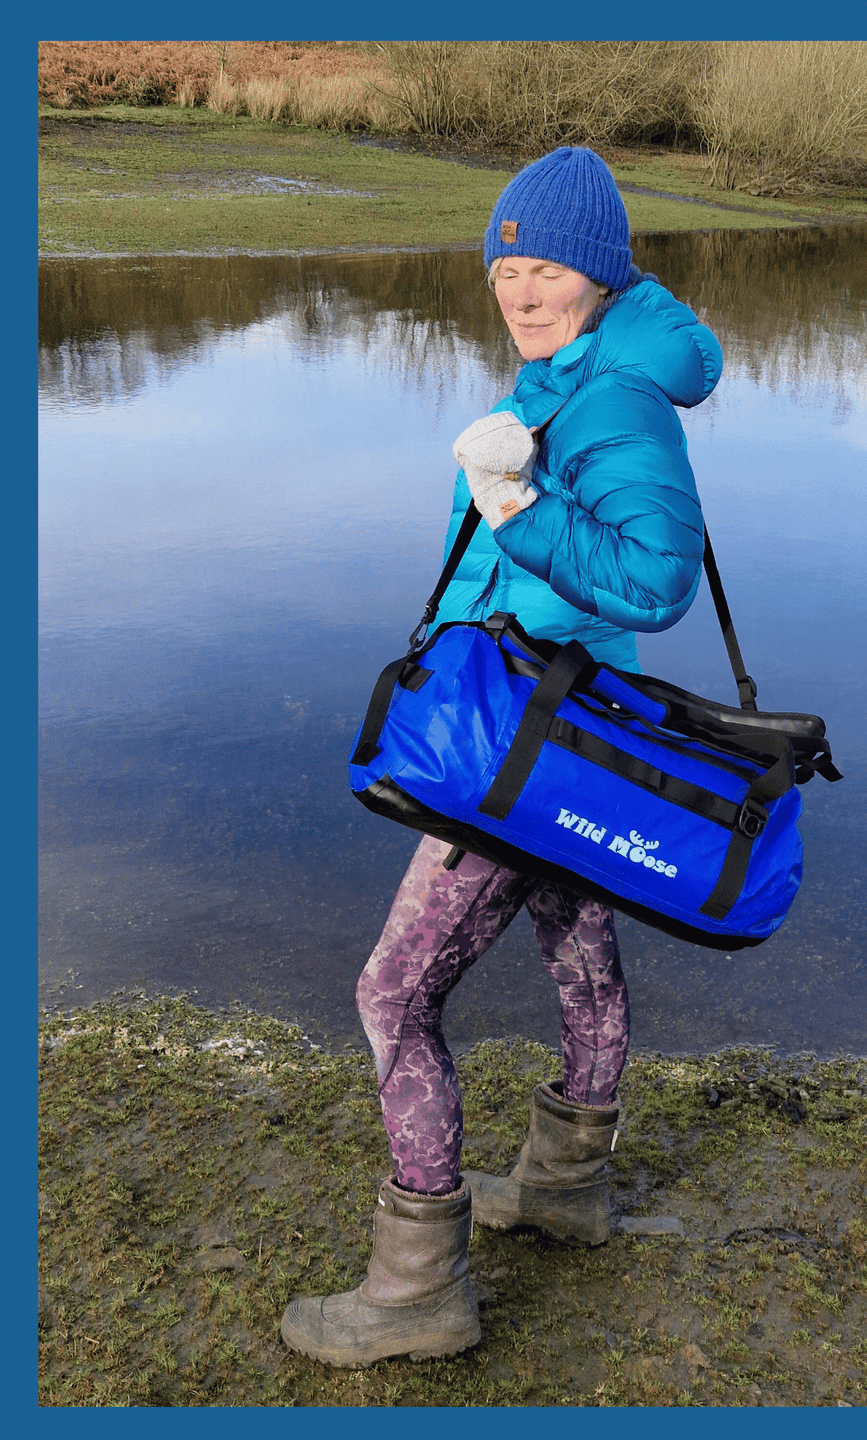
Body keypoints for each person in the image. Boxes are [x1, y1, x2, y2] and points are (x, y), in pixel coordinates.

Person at [281, 146, 723, 1368]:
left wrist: (519, 507)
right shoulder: (565, 373)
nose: (522, 293)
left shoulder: (614, 399)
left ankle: (418, 1287)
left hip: (530, 744)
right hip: (562, 735)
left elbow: (654, 576)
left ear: (599, 276)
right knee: (577, 949)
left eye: (548, 270)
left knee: (392, 995)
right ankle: (569, 1187)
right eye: (506, 269)